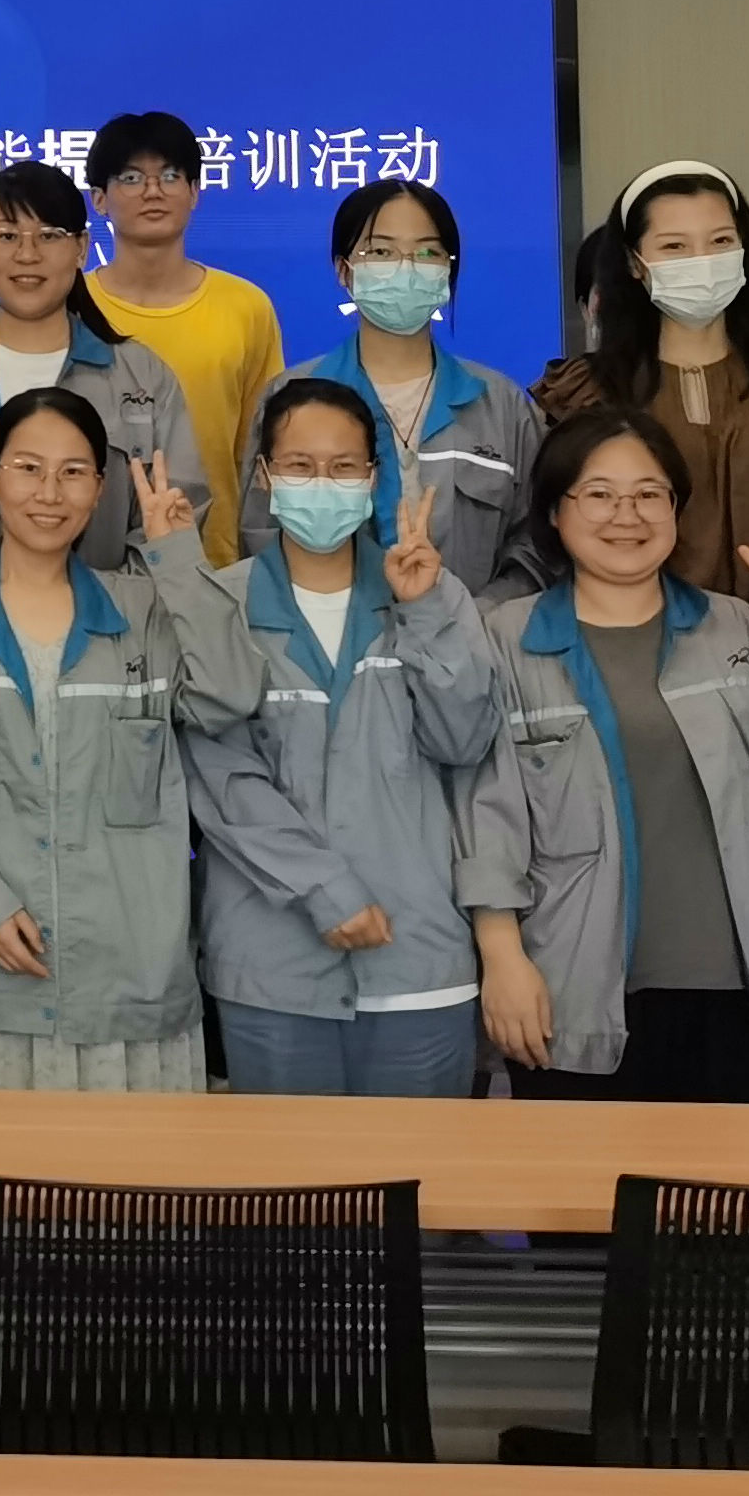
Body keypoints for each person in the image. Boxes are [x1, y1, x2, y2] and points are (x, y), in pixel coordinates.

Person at [463, 408, 749, 1102]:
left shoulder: (741, 630)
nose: (626, 515)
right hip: (575, 993)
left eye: (649, 494)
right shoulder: (504, 642)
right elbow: (485, 817)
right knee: (580, 1177)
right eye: (599, 494)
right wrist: (502, 958)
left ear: (676, 509)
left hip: (747, 998)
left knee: (742, 1177)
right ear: (555, 513)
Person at [0, 390, 249, 1091]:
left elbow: (230, 696)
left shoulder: (146, 611)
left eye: (73, 472)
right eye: (28, 468)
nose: (49, 492)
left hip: (128, 989)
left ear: (100, 489)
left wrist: (177, 556)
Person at [190, 379, 502, 1098]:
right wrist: (325, 891)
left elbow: (465, 743)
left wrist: (423, 614)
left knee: (421, 1171)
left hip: (418, 960)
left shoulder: (434, 593)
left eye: (343, 467)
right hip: (272, 968)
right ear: (264, 476)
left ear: (373, 477)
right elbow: (222, 780)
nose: (322, 484)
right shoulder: (220, 607)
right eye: (299, 466)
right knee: (287, 1170)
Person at [537, 162, 749, 613]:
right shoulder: (587, 392)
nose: (702, 261)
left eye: (720, 242)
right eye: (675, 246)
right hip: (631, 633)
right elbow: (575, 536)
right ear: (635, 263)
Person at [0, 161, 204, 578]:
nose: (27, 254)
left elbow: (175, 518)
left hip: (119, 615)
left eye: (50, 236)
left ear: (81, 248)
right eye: (7, 236)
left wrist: (108, 608)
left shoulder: (143, 377)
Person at [233, 181, 544, 600]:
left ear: (447, 271)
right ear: (344, 270)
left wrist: (476, 621)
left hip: (475, 635)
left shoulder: (500, 404)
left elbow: (535, 545)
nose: (405, 268)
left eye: (427, 253)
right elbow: (259, 537)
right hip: (327, 637)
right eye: (381, 252)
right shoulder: (292, 397)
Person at [82, 113, 286, 567]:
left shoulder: (246, 306)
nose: (152, 191)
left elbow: (260, 455)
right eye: (131, 178)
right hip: (90, 566)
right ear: (99, 198)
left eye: (171, 176)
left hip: (218, 564)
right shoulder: (70, 306)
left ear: (195, 192)